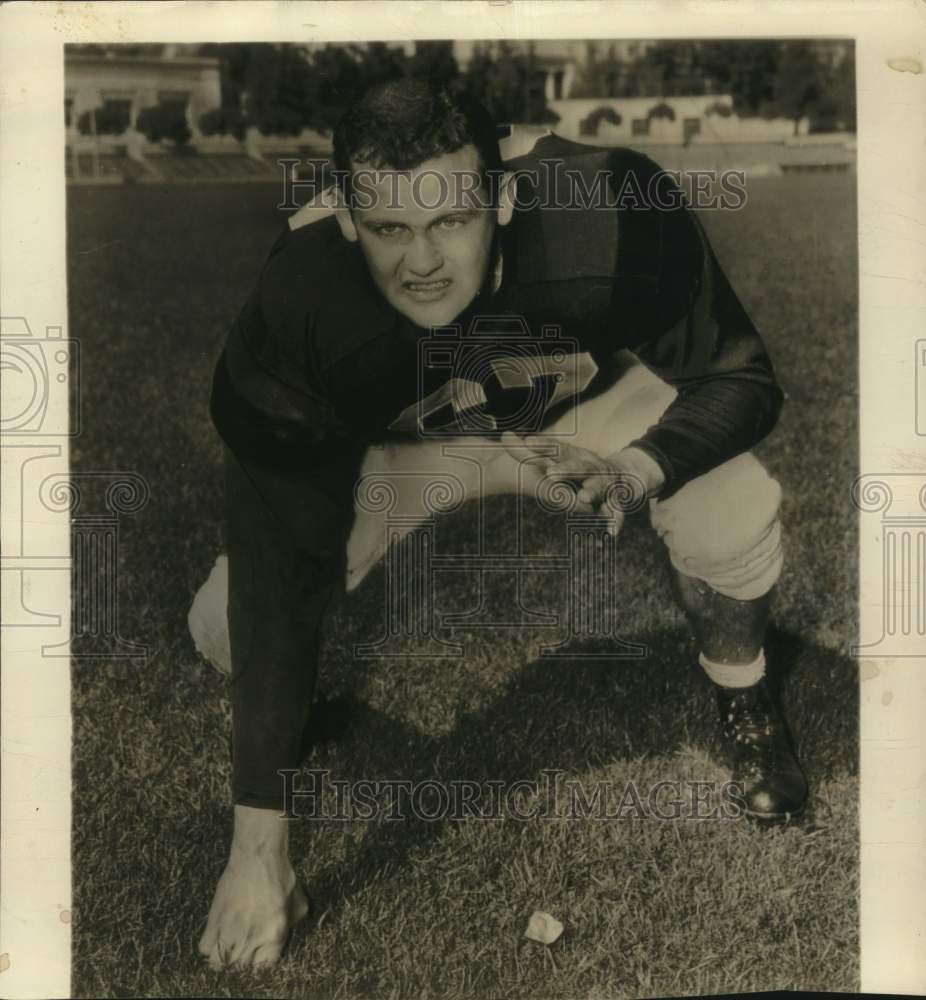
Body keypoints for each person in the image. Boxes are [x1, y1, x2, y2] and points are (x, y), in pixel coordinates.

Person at [195, 79, 807, 970]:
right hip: (403, 446)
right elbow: (271, 552)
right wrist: (257, 853)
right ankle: (292, 717)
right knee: (223, 623)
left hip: (584, 414)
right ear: (346, 223)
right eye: (391, 229)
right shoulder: (300, 305)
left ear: (507, 198)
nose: (423, 262)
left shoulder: (612, 210)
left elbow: (743, 378)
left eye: (450, 221)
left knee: (734, 502)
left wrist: (634, 467)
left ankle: (745, 693)